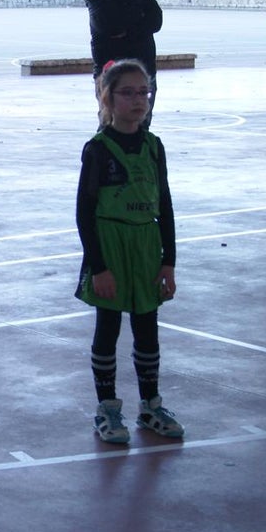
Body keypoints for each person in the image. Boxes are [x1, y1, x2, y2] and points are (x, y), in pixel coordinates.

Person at [75, 59, 182, 445]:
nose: (139, 100)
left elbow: (165, 205)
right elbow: (84, 212)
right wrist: (99, 266)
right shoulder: (98, 150)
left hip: (145, 245)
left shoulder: (154, 147)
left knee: (147, 327)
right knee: (108, 326)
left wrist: (168, 260)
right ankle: (107, 408)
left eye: (144, 92)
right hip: (111, 244)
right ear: (107, 97)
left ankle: (150, 404)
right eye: (128, 92)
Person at [86, 0, 164, 128]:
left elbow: (156, 22)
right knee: (110, 122)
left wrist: (127, 30)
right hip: (110, 71)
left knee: (142, 123)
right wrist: (140, 23)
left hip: (144, 70)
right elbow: (110, 27)